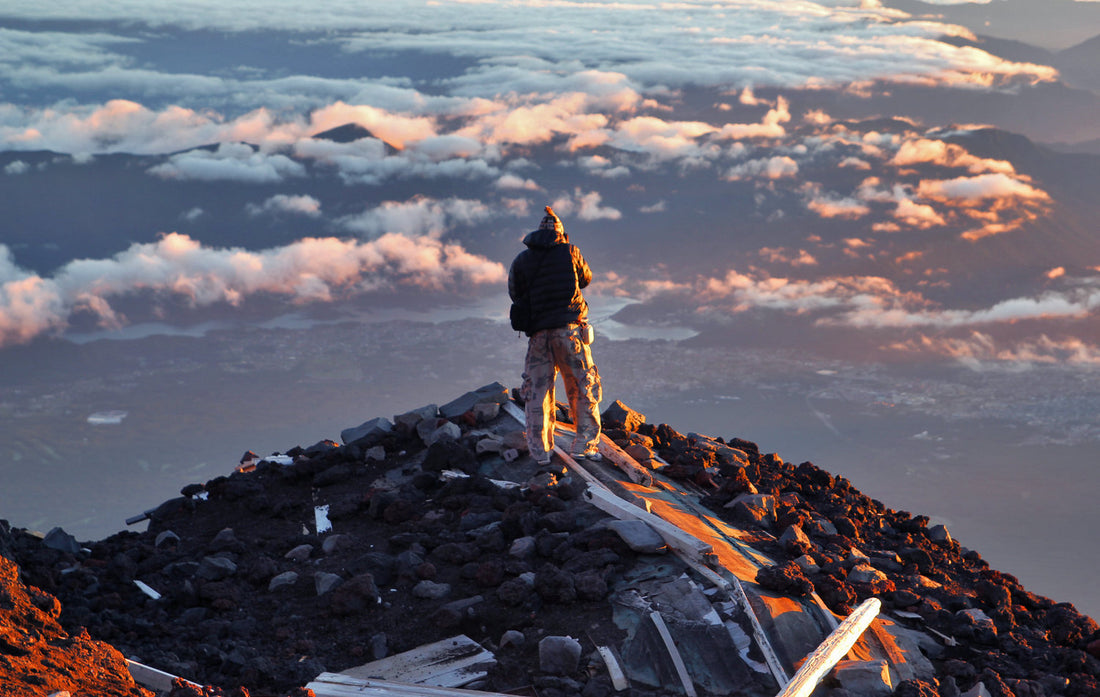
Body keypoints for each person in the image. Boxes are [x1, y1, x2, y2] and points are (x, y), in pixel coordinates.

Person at [508, 206, 602, 465]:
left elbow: (515, 294)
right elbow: (586, 279)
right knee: (583, 386)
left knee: (537, 392)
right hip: (569, 332)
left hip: (539, 336)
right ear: (562, 234)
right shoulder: (570, 251)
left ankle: (541, 453)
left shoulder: (521, 260)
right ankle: (584, 446)